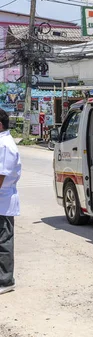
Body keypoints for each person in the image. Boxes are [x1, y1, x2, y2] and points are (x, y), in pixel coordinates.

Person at [0, 108, 21, 295]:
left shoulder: (5, 145)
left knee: (4, 241)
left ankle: (6, 281)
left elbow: (1, 175)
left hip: (3, 200)